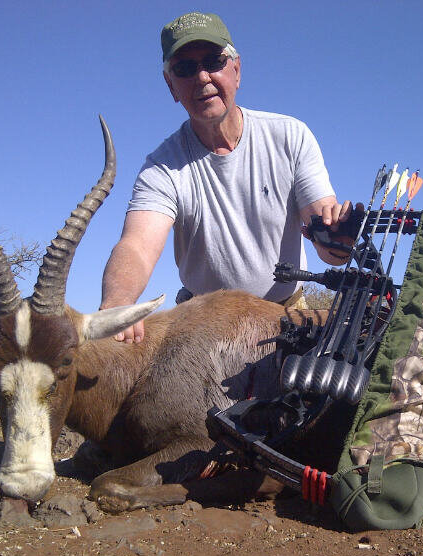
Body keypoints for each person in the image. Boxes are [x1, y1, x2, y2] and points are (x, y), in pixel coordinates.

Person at [101, 11, 353, 343]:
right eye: (185, 69)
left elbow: (323, 227)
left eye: (213, 61)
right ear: (171, 86)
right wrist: (118, 303)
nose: (202, 77)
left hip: (287, 314)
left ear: (236, 70)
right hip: (205, 326)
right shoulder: (161, 166)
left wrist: (337, 241)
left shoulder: (290, 136)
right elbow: (137, 245)